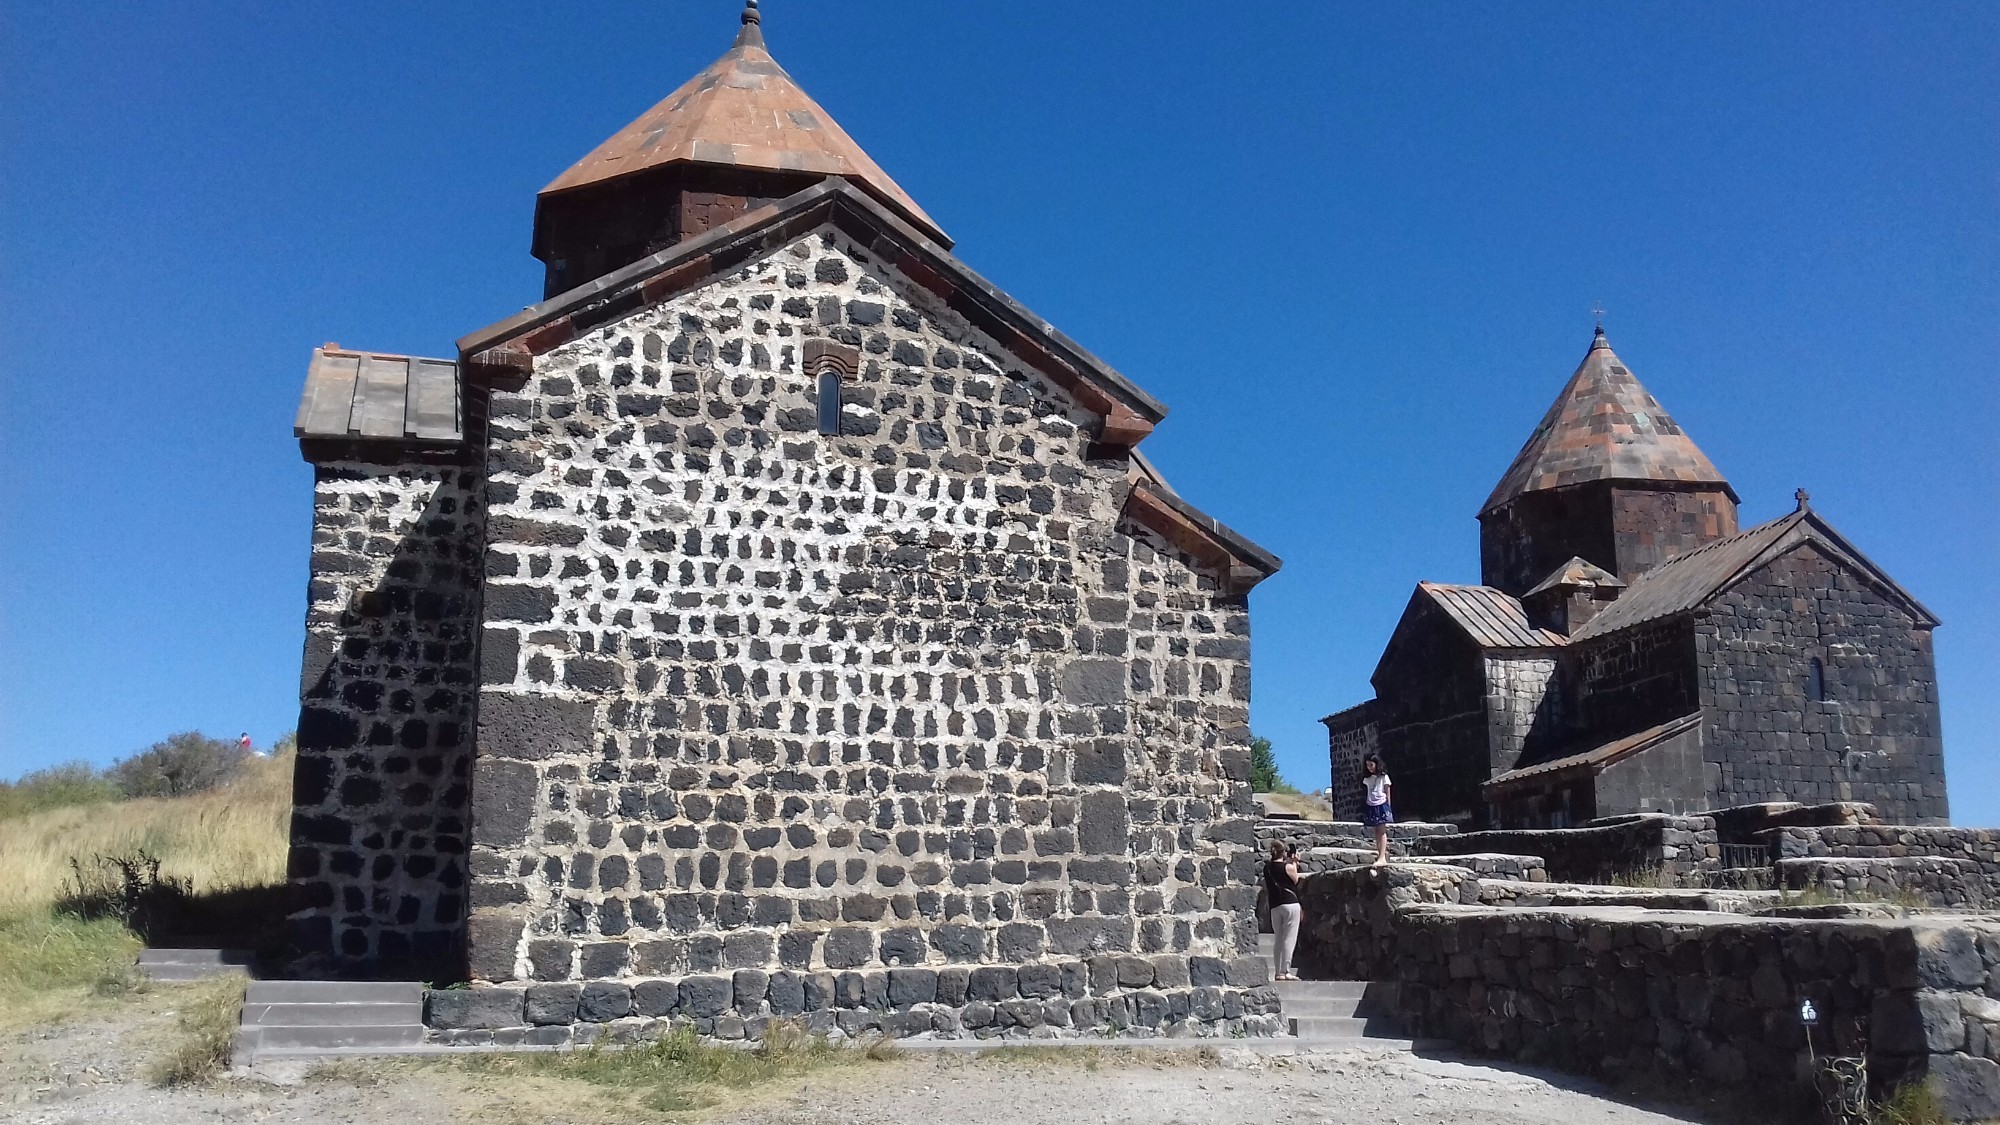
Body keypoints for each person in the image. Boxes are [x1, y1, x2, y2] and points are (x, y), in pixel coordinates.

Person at [1264, 838, 1303, 981]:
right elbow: (1295, 879)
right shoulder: (1288, 867)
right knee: (1289, 938)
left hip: (1275, 906)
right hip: (1291, 904)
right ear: (1284, 852)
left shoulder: (1267, 868)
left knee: (1278, 939)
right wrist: (1295, 862)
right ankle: (1285, 970)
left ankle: (1277, 972)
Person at [1361, 755, 1394, 866]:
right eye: (1367, 765)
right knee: (1376, 831)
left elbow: (1387, 791)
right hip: (1371, 805)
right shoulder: (1367, 779)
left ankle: (1382, 856)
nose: (1369, 767)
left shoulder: (1384, 777)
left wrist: (1388, 806)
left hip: (1382, 805)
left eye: (1371, 765)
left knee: (1382, 830)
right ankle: (1379, 853)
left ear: (1376, 764)